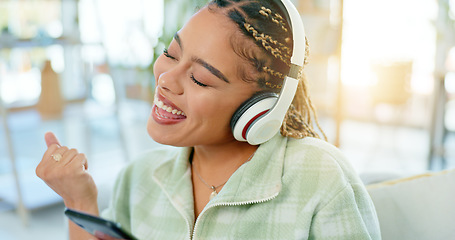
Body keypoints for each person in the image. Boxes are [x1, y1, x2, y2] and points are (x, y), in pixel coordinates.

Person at [36, 0, 381, 239]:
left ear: (260, 109)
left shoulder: (320, 178)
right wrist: (80, 201)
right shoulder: (138, 177)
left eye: (200, 78)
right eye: (171, 53)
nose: (166, 79)